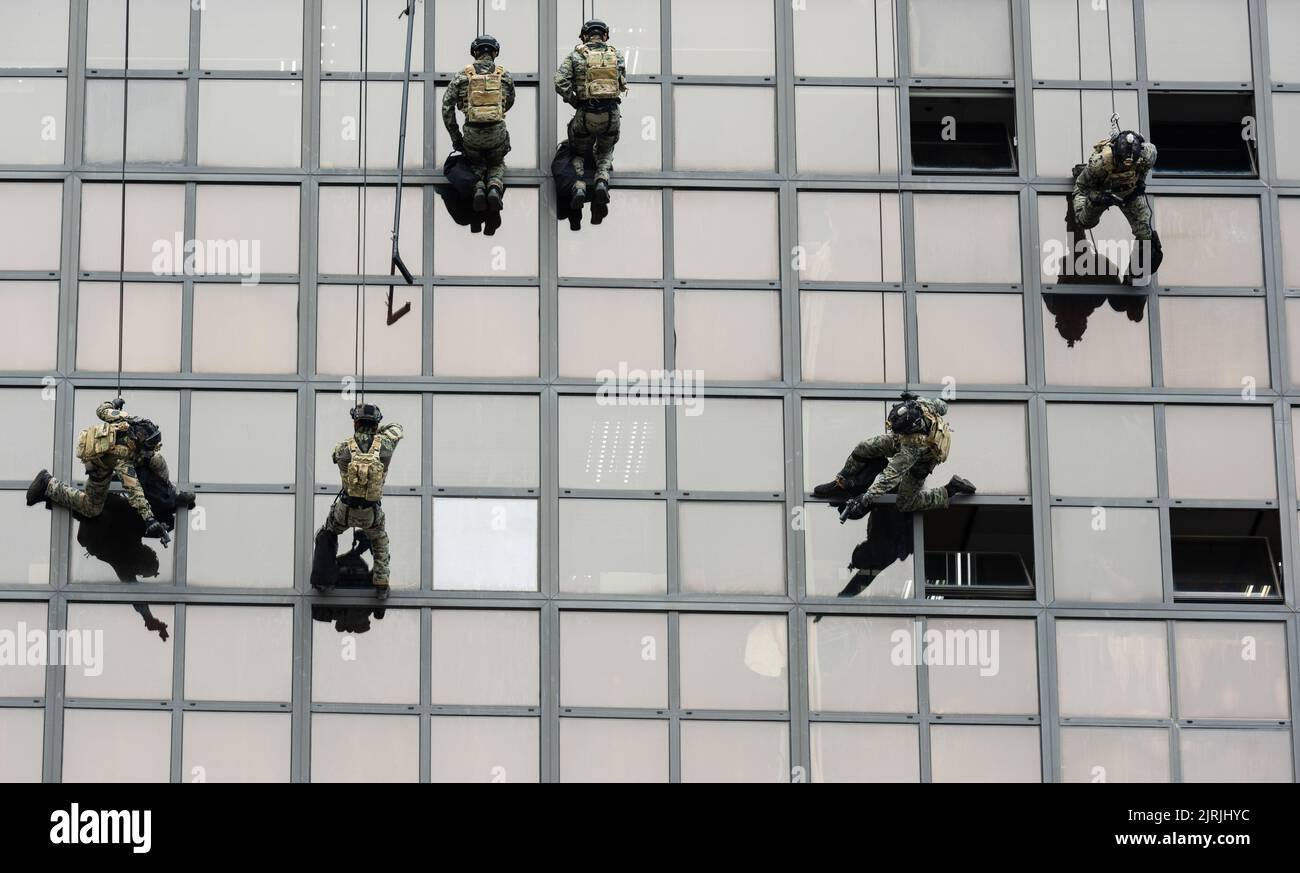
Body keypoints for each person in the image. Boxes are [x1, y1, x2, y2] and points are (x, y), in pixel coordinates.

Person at [28, 398, 173, 545]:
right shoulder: (121, 457)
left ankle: (169, 490)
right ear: (136, 440)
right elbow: (134, 490)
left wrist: (113, 404)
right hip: (101, 465)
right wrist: (149, 519)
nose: (150, 449)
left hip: (114, 455)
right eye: (147, 446)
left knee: (156, 459)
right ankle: (48, 484)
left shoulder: (125, 420)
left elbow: (101, 410)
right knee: (92, 508)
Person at [813, 393, 976, 517]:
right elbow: (943, 407)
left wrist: (866, 498)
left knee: (905, 503)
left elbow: (890, 477)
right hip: (902, 441)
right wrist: (915, 397)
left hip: (922, 462)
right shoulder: (921, 404)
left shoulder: (912, 449)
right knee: (864, 447)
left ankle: (951, 489)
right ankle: (841, 483)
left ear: (911, 427)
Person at [318, 404, 404, 599]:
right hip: (371, 513)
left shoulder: (343, 449)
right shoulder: (386, 447)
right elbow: (398, 428)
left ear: (355, 423)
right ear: (376, 425)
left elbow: (333, 456)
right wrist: (378, 434)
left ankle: (322, 580)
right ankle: (381, 585)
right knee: (380, 540)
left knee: (328, 533)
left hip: (345, 510)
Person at [555, 18, 627, 210]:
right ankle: (602, 179)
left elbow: (559, 82)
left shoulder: (575, 56)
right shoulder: (617, 55)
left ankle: (579, 184)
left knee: (577, 151)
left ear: (585, 36)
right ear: (605, 35)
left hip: (586, 114)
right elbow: (621, 83)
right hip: (611, 114)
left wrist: (575, 100)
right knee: (605, 150)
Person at [1071, 130, 1162, 282]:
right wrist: (1096, 200)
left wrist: (1140, 183)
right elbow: (1080, 188)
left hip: (1129, 192)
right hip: (1102, 191)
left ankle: (1135, 271)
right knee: (1084, 222)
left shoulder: (1147, 154)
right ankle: (1083, 172)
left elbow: (1144, 168)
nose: (1125, 166)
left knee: (1146, 236)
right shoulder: (1099, 164)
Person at [442, 35, 515, 214]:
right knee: (497, 162)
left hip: (472, 135)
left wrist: (456, 137)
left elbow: (446, 107)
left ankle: (479, 189)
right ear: (494, 52)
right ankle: (494, 188)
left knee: (474, 161)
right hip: (497, 133)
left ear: (475, 53)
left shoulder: (461, 76)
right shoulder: (503, 75)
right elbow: (510, 101)